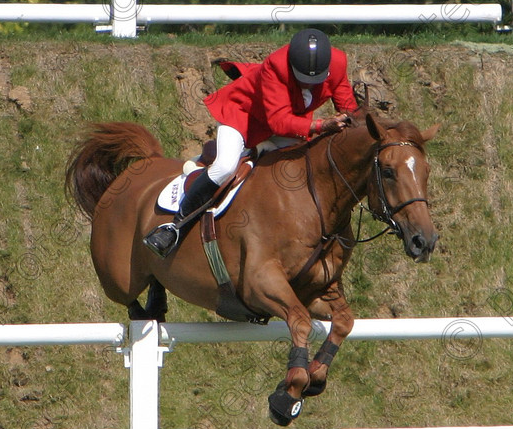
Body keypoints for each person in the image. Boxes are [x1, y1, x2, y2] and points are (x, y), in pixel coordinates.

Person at [143, 28, 359, 258]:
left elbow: (348, 106)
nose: (308, 85)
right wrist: (322, 125)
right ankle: (174, 227)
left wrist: (358, 123)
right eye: (302, 80)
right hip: (243, 117)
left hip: (288, 123)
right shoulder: (276, 66)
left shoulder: (338, 62)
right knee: (224, 167)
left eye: (314, 81)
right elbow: (278, 121)